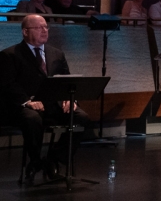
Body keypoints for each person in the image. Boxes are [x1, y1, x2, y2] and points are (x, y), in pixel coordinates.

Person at [0, 15, 93, 184]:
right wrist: (27, 101)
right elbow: (8, 84)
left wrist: (69, 98)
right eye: (38, 28)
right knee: (32, 118)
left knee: (82, 118)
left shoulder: (56, 53)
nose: (44, 30)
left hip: (53, 104)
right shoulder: (10, 55)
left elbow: (66, 79)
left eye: (46, 27)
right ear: (25, 32)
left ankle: (53, 158)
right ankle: (36, 161)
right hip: (25, 106)